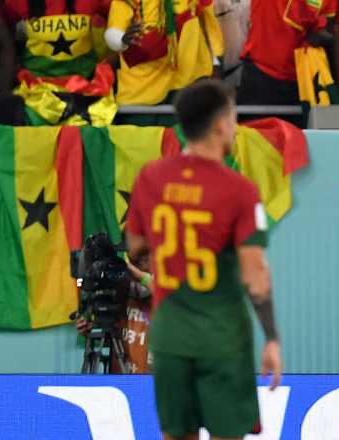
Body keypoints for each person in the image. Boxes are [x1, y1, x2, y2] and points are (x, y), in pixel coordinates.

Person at [125, 79, 283, 439]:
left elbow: (135, 244)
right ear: (219, 125)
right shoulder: (239, 189)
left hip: (169, 337)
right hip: (221, 339)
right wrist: (272, 338)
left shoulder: (150, 177)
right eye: (233, 117)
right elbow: (255, 275)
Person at [104, 0, 224, 125]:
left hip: (186, 79)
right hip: (143, 87)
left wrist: (216, 61)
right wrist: (121, 39)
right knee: (141, 138)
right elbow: (115, 29)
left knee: (181, 138)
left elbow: (208, 21)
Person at [75, 257, 155, 374]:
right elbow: (112, 335)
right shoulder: (118, 292)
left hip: (150, 380)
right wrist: (91, 327)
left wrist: (138, 274)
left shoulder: (164, 291)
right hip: (120, 378)